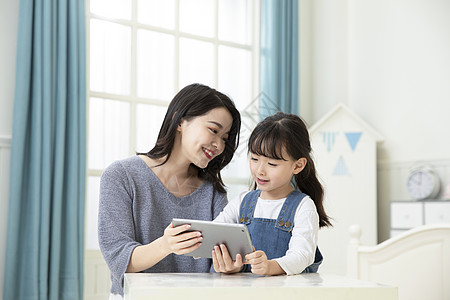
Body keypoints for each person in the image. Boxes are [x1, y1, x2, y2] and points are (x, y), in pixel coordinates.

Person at [98, 83, 241, 298]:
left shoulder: (213, 191)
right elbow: (119, 259)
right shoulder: (121, 176)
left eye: (224, 138)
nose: (219, 145)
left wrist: (229, 267)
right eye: (213, 130)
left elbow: (217, 264)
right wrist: (166, 245)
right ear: (180, 121)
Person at [212, 112, 332, 275]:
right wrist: (235, 264)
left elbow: (302, 255)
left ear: (298, 165)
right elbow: (215, 232)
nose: (260, 171)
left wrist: (270, 266)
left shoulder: (303, 206)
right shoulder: (243, 201)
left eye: (272, 164)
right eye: (254, 159)